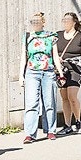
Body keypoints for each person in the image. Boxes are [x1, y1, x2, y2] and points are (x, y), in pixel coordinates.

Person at [21, 11, 59, 143]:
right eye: (33, 22)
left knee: (49, 103)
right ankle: (30, 133)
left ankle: (50, 130)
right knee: (31, 103)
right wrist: (21, 75)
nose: (35, 24)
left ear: (43, 22)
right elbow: (24, 57)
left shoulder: (51, 36)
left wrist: (59, 72)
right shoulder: (27, 37)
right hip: (32, 72)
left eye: (37, 22)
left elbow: (55, 56)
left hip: (48, 72)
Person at [55, 11, 81, 135]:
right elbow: (53, 52)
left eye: (67, 20)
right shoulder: (58, 35)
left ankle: (78, 121)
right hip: (61, 70)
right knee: (64, 97)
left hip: (75, 69)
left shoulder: (80, 37)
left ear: (74, 22)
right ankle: (67, 125)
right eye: (63, 20)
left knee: (72, 96)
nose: (65, 22)